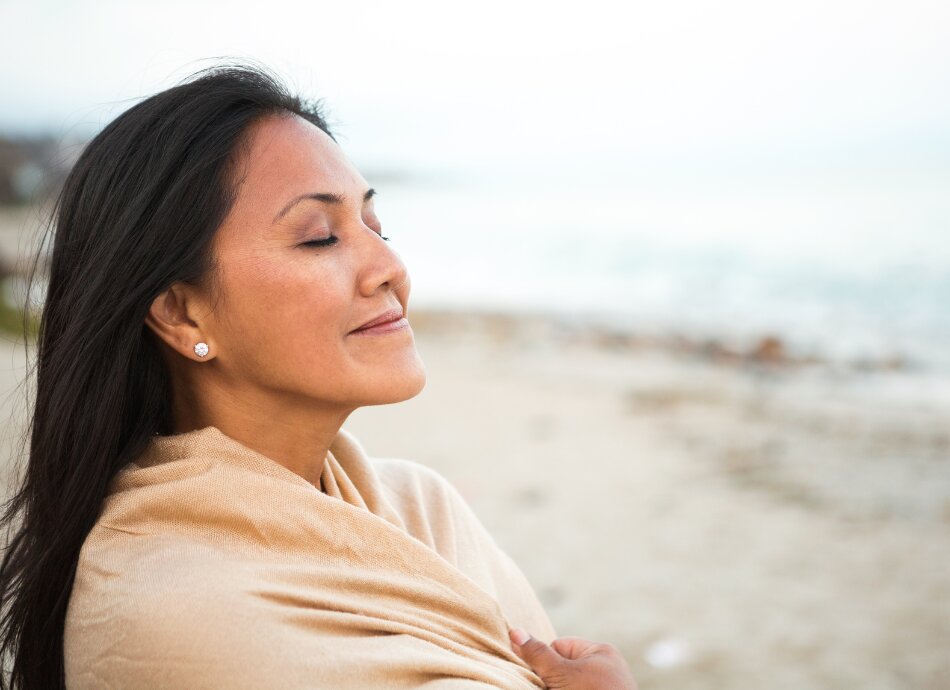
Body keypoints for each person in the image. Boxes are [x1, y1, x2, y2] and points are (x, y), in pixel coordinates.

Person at [0, 63, 637, 689]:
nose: (390, 267)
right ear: (181, 313)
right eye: (319, 237)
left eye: (376, 227)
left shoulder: (423, 508)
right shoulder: (169, 611)